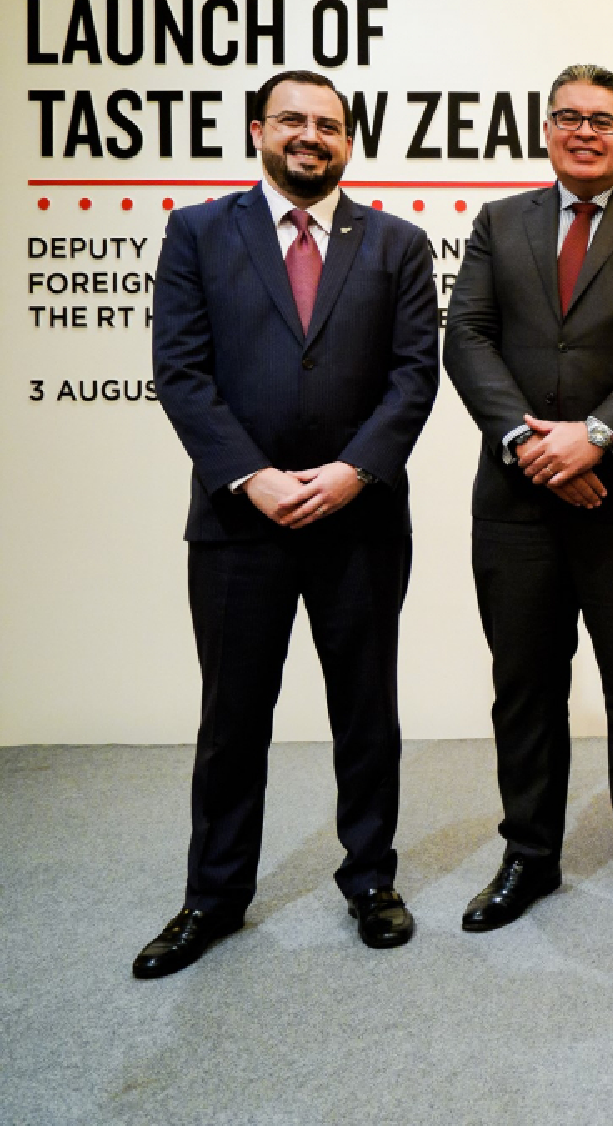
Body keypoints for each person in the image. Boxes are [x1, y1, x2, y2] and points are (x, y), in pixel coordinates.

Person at [139, 69, 439, 978]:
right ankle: (213, 896)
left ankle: (371, 878)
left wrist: (352, 473)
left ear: (350, 142)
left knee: (366, 712)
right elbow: (182, 373)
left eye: (331, 125)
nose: (312, 136)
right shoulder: (197, 233)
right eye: (294, 121)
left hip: (361, 519)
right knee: (233, 717)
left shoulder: (397, 243)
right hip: (241, 525)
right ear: (259, 130)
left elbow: (413, 377)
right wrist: (251, 478)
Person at [444, 64, 613, 932]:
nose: (584, 131)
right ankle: (529, 858)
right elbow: (468, 337)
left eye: (603, 119)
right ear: (547, 130)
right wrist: (530, 443)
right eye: (568, 117)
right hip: (517, 501)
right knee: (524, 684)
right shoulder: (498, 222)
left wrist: (593, 434)